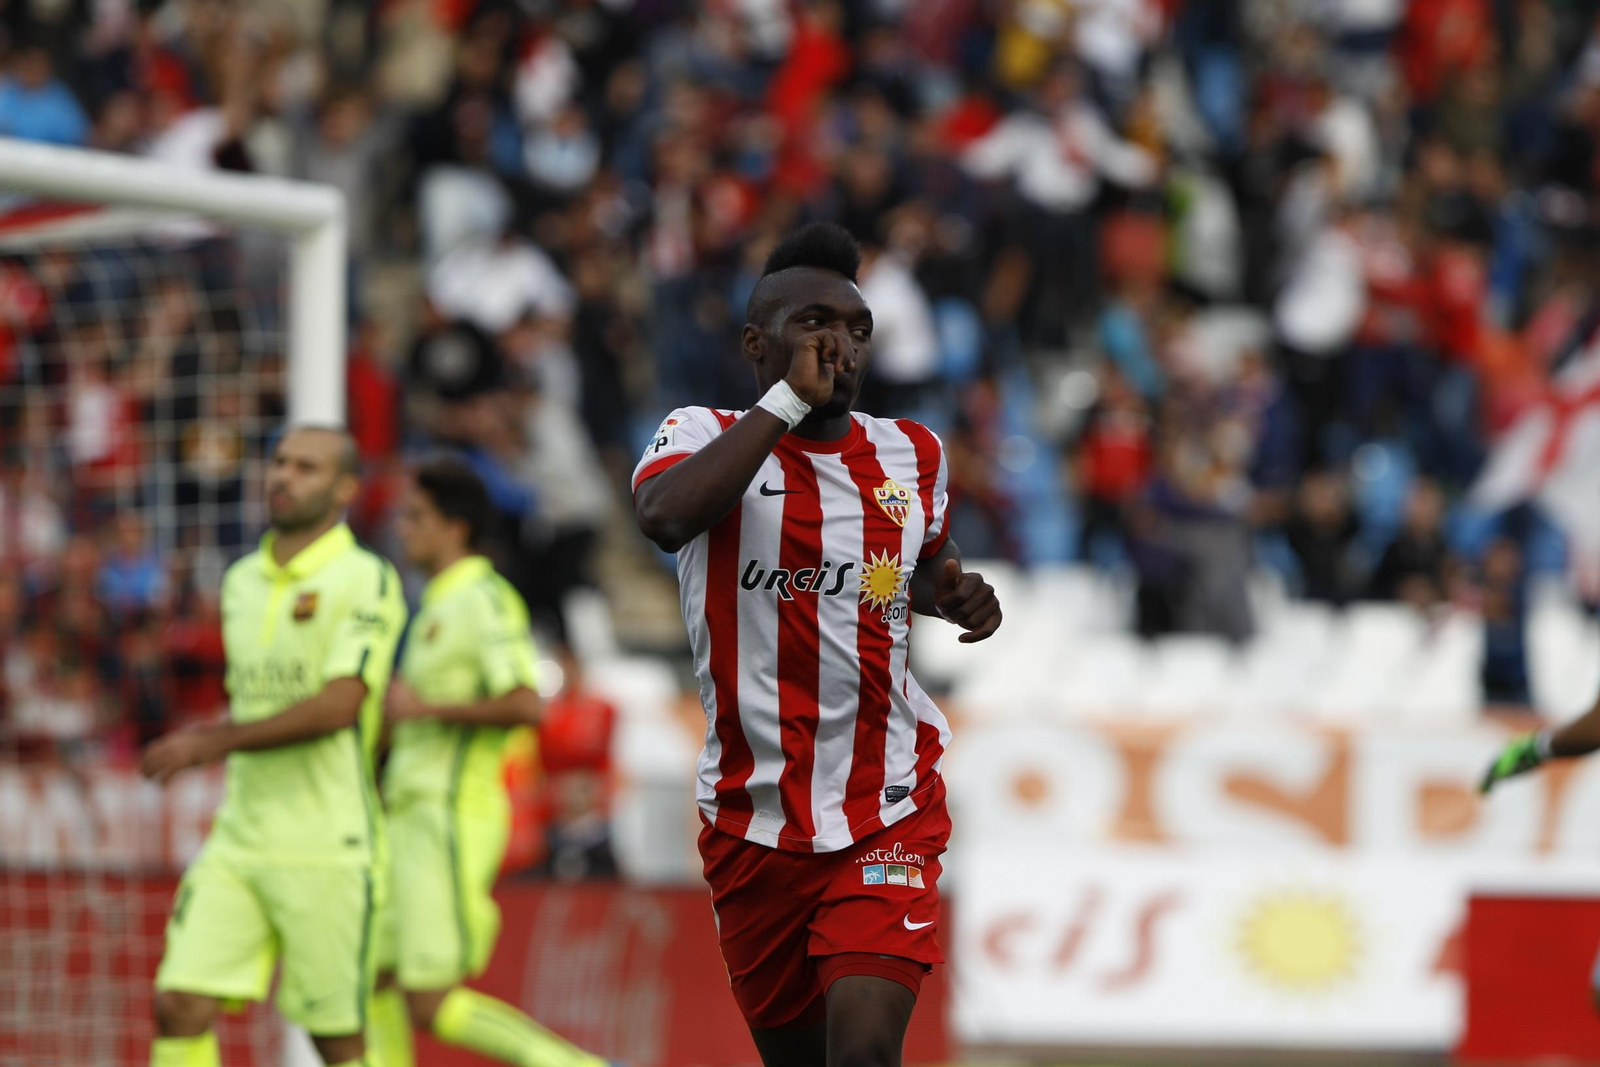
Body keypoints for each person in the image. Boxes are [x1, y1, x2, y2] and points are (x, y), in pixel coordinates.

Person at [632, 223, 1003, 1067]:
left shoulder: (913, 452)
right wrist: (784, 408)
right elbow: (664, 518)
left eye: (859, 329)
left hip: (886, 804)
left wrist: (953, 594)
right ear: (757, 344)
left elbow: (916, 565)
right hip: (752, 815)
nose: (841, 344)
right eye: (815, 323)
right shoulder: (698, 433)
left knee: (864, 1053)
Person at [141, 426, 408, 1067]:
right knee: (179, 1003)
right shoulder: (239, 583)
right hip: (242, 834)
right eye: (280, 462)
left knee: (336, 1040)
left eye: (307, 468)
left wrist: (215, 742)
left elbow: (342, 705)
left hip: (328, 843)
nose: (284, 477)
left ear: (344, 488)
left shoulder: (365, 578)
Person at [367, 457, 608, 1067]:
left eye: (416, 516)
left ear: (455, 527)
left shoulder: (484, 598)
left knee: (428, 999)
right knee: (371, 983)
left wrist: (425, 708)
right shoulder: (435, 605)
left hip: (449, 818)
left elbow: (526, 703)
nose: (402, 527)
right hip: (406, 818)